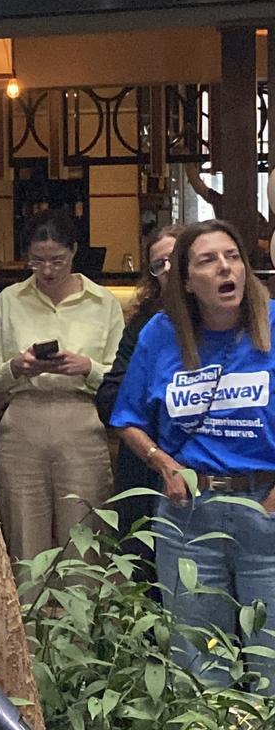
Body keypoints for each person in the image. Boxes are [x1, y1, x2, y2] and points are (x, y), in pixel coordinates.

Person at [111, 219, 275, 691]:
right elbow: (127, 417)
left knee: (269, 660)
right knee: (198, 659)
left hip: (263, 506)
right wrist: (163, 464)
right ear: (185, 280)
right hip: (188, 512)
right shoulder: (161, 333)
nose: (225, 268)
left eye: (232, 256)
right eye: (208, 260)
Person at [0, 209, 124, 563]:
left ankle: (85, 617)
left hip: (81, 421)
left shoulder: (102, 303)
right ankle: (27, 618)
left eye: (57, 261)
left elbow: (122, 382)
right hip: (22, 422)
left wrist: (87, 367)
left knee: (85, 535)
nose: (47, 271)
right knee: (24, 536)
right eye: (37, 261)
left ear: (74, 252)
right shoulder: (9, 300)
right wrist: (16, 367)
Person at [95, 225, 183, 557]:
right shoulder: (145, 324)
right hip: (145, 468)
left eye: (175, 258)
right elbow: (110, 395)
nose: (168, 270)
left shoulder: (232, 320)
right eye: (158, 265)